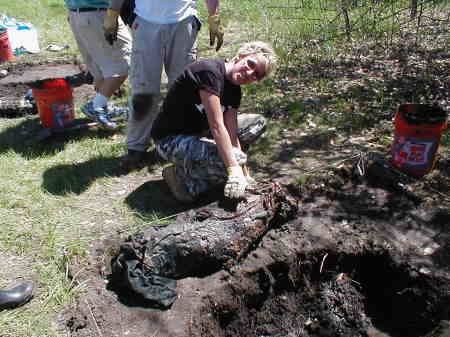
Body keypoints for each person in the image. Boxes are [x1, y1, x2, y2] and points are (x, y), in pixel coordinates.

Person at [150, 41, 278, 203]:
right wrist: (233, 169)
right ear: (240, 56)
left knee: (255, 125)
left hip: (198, 132)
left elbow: (231, 132)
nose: (250, 73)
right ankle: (181, 178)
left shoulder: (234, 91)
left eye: (256, 75)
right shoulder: (209, 72)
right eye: (250, 64)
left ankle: (209, 165)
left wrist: (244, 174)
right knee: (227, 162)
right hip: (170, 140)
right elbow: (217, 127)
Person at [105, 0, 224, 169]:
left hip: (184, 22)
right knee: (143, 90)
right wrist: (112, 13)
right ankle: (136, 148)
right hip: (146, 22)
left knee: (183, 90)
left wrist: (215, 17)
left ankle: (178, 142)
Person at [65, 0, 132, 130]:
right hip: (98, 14)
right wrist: (112, 16)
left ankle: (103, 107)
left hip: (78, 13)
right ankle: (97, 106)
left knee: (99, 66)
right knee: (124, 63)